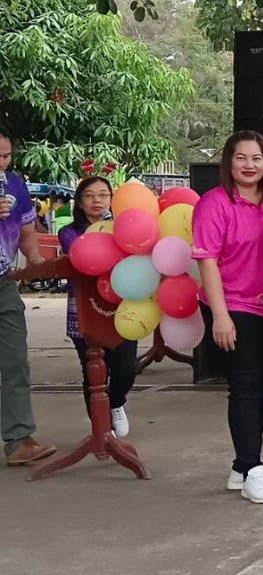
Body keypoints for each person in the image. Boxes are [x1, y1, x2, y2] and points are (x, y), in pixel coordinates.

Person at [193, 130, 263, 504]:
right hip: (233, 306)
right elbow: (207, 262)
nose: (249, 165)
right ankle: (252, 470)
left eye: (257, 158)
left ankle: (243, 466)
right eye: (241, 158)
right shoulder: (214, 203)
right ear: (228, 162)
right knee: (246, 385)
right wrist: (220, 316)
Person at [59, 176, 136, 439]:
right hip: (85, 307)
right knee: (93, 371)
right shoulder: (69, 232)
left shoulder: (123, 229)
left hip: (121, 305)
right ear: (80, 203)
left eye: (103, 195)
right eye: (90, 195)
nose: (97, 200)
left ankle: (115, 403)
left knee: (125, 368)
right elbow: (82, 255)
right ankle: (101, 429)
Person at [0, 126, 56, 466]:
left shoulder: (14, 185)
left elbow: (25, 232)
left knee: (15, 362)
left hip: (4, 282)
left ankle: (19, 439)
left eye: (6, 156)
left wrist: (35, 259)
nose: (1, 163)